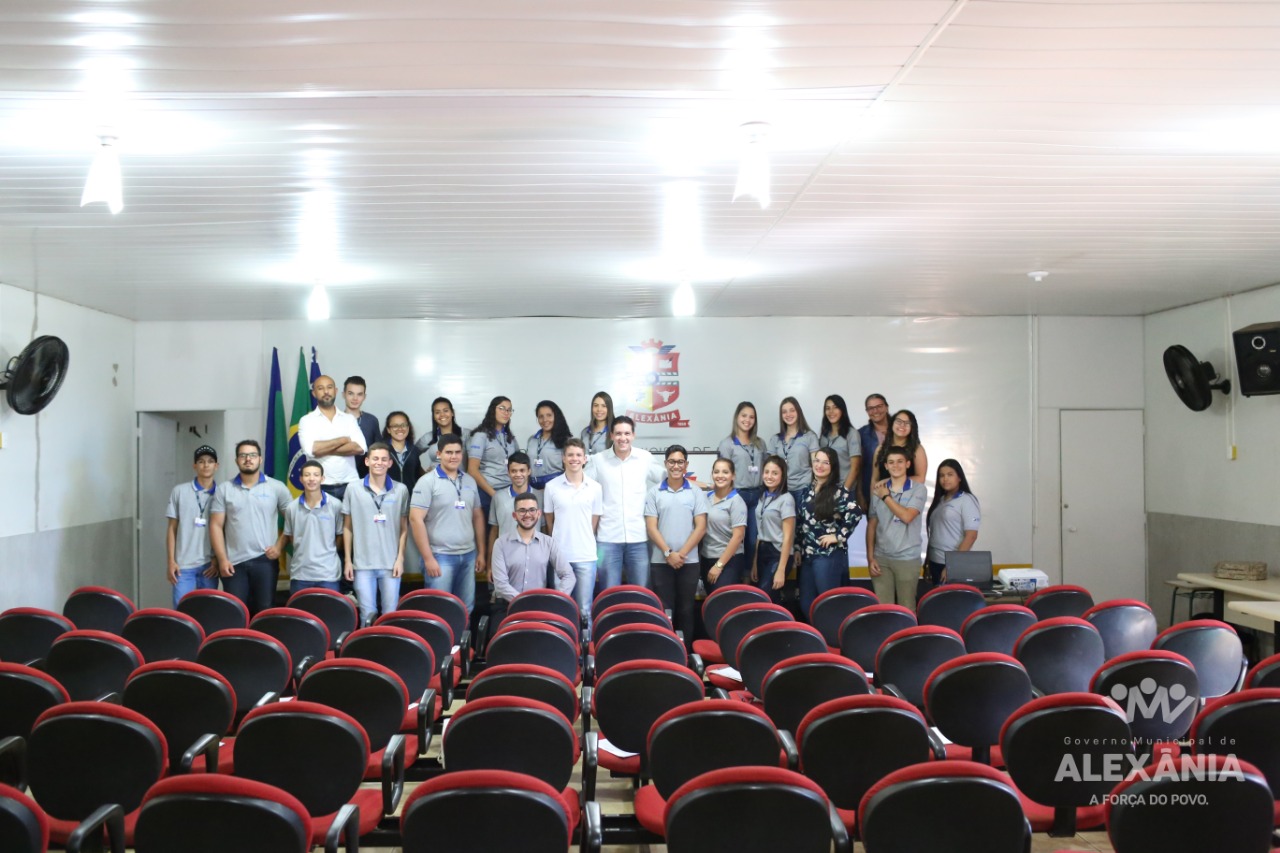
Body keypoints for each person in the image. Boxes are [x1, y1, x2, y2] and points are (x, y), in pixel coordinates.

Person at [208, 439, 292, 616]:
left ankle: (262, 644)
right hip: (233, 563)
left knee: (264, 612)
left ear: (260, 459)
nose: (248, 459)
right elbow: (216, 526)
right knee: (235, 613)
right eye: (243, 455)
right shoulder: (224, 489)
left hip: (265, 561)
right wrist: (222, 559)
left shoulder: (276, 487)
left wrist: (279, 546)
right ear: (236, 460)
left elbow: (294, 521)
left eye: (252, 455)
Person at [410, 434, 486, 613]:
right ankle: (441, 643)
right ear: (439, 454)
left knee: (466, 609)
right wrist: (428, 558)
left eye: (458, 452)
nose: (454, 457)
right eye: (449, 452)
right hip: (439, 557)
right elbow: (415, 519)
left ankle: (461, 642)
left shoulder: (469, 481)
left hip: (468, 556)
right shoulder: (427, 482)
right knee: (439, 610)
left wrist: (481, 552)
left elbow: (478, 516)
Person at [645, 445, 708, 650]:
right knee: (664, 610)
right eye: (671, 461)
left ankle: (686, 655)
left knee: (687, 610)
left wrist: (680, 554)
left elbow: (700, 527)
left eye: (680, 462)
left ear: (686, 465)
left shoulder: (696, 492)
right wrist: (668, 553)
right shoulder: (654, 493)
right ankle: (666, 652)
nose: (676, 466)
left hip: (688, 563)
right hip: (660, 562)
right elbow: (651, 527)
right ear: (665, 464)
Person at [343, 442, 410, 621]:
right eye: (375, 459)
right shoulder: (353, 489)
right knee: (367, 615)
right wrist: (348, 561)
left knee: (390, 615)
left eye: (383, 459)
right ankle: (368, 649)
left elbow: (404, 528)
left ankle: (389, 649)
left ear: (390, 463)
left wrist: (400, 559)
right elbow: (347, 528)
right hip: (362, 565)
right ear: (367, 461)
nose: (379, 463)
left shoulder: (401, 490)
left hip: (391, 565)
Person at [594, 416, 659, 590]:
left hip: (638, 539)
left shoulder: (645, 458)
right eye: (619, 433)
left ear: (634, 435)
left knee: (641, 593)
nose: (623, 438)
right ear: (611, 435)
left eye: (627, 433)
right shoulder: (598, 460)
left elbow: (668, 478)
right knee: (607, 594)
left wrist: (697, 485)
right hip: (607, 539)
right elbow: (581, 484)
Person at [489, 492, 573, 627]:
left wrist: (556, 600)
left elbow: (569, 575)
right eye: (522, 511)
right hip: (508, 606)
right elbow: (500, 585)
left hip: (541, 607)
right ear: (514, 515)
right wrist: (525, 603)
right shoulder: (501, 543)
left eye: (532, 510)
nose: (527, 514)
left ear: (539, 514)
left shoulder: (548, 542)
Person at [797, 446, 863, 618]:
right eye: (817, 460)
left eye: (825, 462)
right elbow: (801, 523)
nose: (820, 465)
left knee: (828, 604)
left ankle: (830, 642)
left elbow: (855, 513)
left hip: (828, 556)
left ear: (832, 466)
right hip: (807, 556)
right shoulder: (807, 491)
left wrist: (838, 536)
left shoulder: (838, 492)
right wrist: (797, 548)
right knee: (806, 603)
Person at [543, 438, 603, 623]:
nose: (574, 459)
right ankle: (562, 650)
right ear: (563, 458)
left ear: (585, 459)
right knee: (561, 608)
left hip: (586, 556)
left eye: (578, 455)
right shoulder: (551, 487)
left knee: (585, 610)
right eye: (570, 455)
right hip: (561, 557)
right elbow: (549, 521)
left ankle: (586, 651)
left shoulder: (595, 487)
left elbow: (594, 521)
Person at [867, 445, 928, 608]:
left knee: (907, 607)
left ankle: (907, 635)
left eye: (900, 461)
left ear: (908, 464)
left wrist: (886, 496)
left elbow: (907, 516)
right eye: (891, 462)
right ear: (886, 466)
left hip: (907, 558)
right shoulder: (877, 489)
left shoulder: (919, 489)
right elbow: (872, 525)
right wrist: (870, 557)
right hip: (881, 558)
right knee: (883, 609)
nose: (896, 466)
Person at [165, 445, 220, 607]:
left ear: (216, 466)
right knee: (182, 612)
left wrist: (217, 559)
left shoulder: (222, 493)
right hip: (183, 566)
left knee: (208, 612)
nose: (206, 465)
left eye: (210, 461)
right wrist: (171, 562)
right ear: (194, 466)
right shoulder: (180, 491)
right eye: (201, 461)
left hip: (209, 566)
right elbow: (171, 529)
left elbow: (225, 531)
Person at [298, 374, 367, 500]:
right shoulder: (306, 421)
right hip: (320, 486)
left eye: (329, 387)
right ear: (314, 393)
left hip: (350, 484)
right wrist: (343, 440)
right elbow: (311, 450)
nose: (326, 392)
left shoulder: (349, 419)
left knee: (351, 520)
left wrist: (323, 448)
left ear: (335, 391)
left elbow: (360, 448)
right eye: (320, 388)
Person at [283, 460, 343, 594]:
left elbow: (340, 537)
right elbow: (291, 537)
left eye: (316, 475)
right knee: (301, 614)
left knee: (328, 615)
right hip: (300, 574)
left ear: (322, 479)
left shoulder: (335, 505)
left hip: (328, 575)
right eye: (307, 475)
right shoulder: (291, 508)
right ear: (301, 479)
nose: (311, 479)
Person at [717, 402, 766, 564]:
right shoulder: (727, 444)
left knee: (753, 540)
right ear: (737, 417)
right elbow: (722, 473)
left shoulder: (760, 443)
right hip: (738, 495)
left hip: (758, 495)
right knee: (736, 539)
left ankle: (748, 576)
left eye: (751, 417)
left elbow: (766, 469)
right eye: (744, 415)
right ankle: (734, 576)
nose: (747, 420)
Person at [468, 395, 520, 535]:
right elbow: (472, 470)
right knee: (488, 534)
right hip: (487, 492)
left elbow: (519, 463)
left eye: (509, 410)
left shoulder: (510, 437)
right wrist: (494, 494)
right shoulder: (481, 436)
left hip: (508, 492)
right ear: (493, 410)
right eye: (502, 408)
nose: (506, 412)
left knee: (507, 534)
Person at [925, 459, 981, 585]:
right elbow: (935, 533)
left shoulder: (967, 500)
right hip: (935, 562)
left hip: (953, 563)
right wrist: (928, 562)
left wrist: (952, 566)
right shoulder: (940, 500)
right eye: (941, 475)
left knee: (953, 602)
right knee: (939, 603)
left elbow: (971, 536)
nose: (945, 479)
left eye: (950, 475)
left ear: (959, 477)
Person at [751, 455, 796, 601]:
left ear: (782, 476)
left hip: (778, 553)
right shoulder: (762, 496)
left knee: (765, 596)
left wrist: (781, 570)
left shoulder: (786, 499)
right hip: (763, 550)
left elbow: (788, 537)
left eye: (775, 473)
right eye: (766, 472)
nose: (769, 476)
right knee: (769, 598)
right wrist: (754, 563)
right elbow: (760, 532)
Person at [487, 452, 542, 566]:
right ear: (508, 472)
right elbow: (494, 531)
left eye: (522, 470)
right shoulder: (498, 497)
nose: (518, 474)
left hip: (534, 559)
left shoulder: (539, 497)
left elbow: (545, 529)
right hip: (505, 558)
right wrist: (489, 565)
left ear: (529, 471)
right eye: (514, 471)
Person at [702, 457, 748, 591]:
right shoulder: (706, 497)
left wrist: (719, 565)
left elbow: (738, 537)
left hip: (728, 561)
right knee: (710, 603)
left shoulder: (737, 502)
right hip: (706, 557)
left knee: (722, 603)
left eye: (725, 472)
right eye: (716, 472)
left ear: (733, 476)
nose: (720, 475)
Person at [766, 397, 819, 498]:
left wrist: (816, 489)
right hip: (782, 490)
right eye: (784, 412)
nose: (788, 414)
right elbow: (772, 468)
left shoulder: (809, 436)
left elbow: (816, 465)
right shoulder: (775, 439)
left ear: (798, 412)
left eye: (792, 410)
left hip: (804, 488)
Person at [819, 394, 862, 493]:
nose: (831, 412)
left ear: (842, 410)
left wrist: (843, 491)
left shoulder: (852, 434)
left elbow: (855, 468)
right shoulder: (824, 436)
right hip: (826, 488)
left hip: (845, 488)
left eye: (835, 408)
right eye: (828, 408)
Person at [874, 409, 928, 485]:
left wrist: (889, 482)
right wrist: (874, 496)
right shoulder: (880, 449)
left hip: (909, 495)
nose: (902, 425)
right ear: (892, 424)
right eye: (898, 421)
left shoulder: (917, 449)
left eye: (907, 423)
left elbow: (921, 478)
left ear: (912, 427)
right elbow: (874, 480)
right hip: (882, 494)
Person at [417, 396, 470, 469]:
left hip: (459, 479)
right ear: (434, 416)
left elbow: (476, 461)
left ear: (452, 413)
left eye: (445, 410)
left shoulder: (466, 434)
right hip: (434, 479)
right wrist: (422, 473)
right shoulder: (428, 437)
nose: (442, 415)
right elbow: (410, 455)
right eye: (437, 412)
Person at [857, 394, 891, 510]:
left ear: (887, 407)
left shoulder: (900, 429)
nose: (875, 411)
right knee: (874, 527)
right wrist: (860, 495)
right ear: (867, 411)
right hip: (872, 492)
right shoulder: (861, 435)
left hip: (902, 493)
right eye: (871, 408)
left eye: (879, 406)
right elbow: (858, 468)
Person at [528, 400, 570, 489]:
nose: (545, 420)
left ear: (556, 416)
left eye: (549, 415)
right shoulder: (532, 440)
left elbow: (570, 469)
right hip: (533, 487)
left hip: (556, 487)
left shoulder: (566, 440)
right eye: (541, 416)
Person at [344, 376, 380, 478]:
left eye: (359, 394)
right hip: (342, 478)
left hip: (367, 477)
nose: (355, 398)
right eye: (351, 393)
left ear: (364, 396)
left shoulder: (371, 420)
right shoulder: (335, 420)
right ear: (344, 394)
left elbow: (378, 450)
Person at [381, 410, 424, 492]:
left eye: (403, 425)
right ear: (388, 429)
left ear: (408, 428)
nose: (400, 429)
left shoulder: (414, 451)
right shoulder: (381, 450)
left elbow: (417, 476)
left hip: (411, 499)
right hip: (387, 499)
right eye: (395, 426)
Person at [580, 392, 614, 456]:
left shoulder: (614, 432)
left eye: (604, 406)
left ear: (609, 409)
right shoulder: (585, 432)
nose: (599, 409)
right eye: (596, 405)